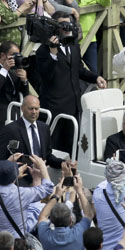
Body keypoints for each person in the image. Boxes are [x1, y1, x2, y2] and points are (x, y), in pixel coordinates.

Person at [34, 11, 106, 151]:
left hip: (73, 106)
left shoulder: (73, 45)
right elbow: (47, 76)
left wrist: (95, 77)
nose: (67, 28)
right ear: (54, 27)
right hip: (54, 107)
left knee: (72, 147)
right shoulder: (43, 51)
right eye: (63, 25)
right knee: (54, 147)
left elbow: (78, 69)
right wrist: (53, 52)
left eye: (69, 24)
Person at [0, 95, 64, 169]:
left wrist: (62, 163)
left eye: (36, 109)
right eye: (30, 109)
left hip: (41, 175)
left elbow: (47, 156)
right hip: (20, 177)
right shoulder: (10, 130)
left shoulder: (44, 128)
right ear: (22, 108)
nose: (34, 112)